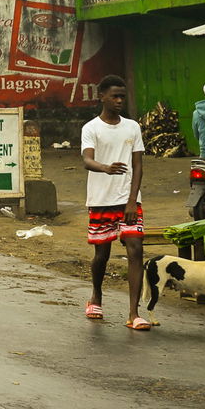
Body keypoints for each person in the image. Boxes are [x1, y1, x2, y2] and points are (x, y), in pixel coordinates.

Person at [81, 74, 149, 330]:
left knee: (135, 249)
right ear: (102, 97)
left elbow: (138, 164)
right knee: (102, 254)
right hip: (100, 200)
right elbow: (87, 160)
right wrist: (105, 168)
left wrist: (132, 200)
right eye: (115, 96)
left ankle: (134, 313)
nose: (120, 100)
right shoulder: (91, 128)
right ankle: (96, 295)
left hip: (129, 200)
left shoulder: (132, 127)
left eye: (122, 96)